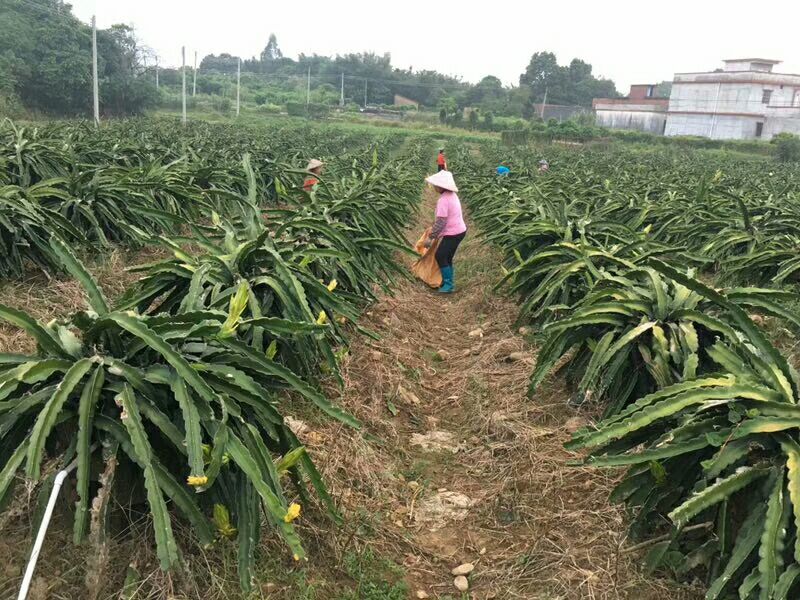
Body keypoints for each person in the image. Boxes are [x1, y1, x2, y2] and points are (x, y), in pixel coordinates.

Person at [423, 170, 467, 293]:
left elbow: (441, 222)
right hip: (460, 231)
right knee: (447, 257)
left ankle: (448, 285)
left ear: (441, 186)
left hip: (453, 233)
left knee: (440, 255)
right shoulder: (451, 195)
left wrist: (431, 238)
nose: (434, 187)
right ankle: (448, 281)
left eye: (436, 185)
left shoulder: (443, 200)